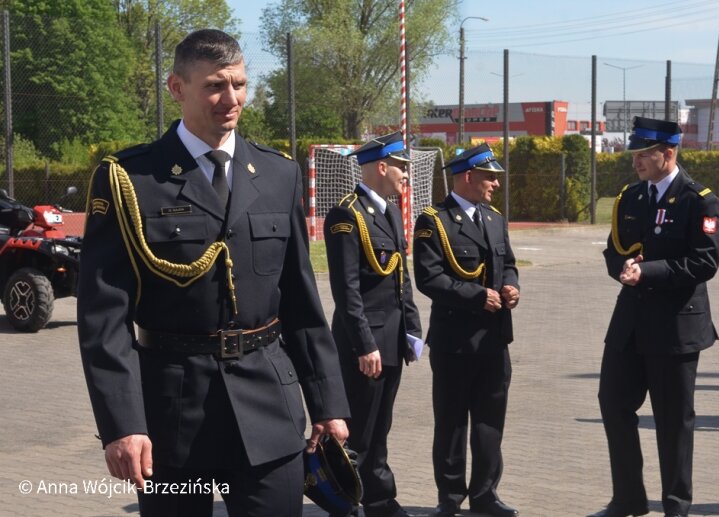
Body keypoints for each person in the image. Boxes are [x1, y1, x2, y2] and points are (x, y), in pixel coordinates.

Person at [77, 29, 350, 516]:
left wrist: (328, 402)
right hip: (173, 412)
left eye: (240, 85)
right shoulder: (130, 179)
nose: (232, 100)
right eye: (215, 86)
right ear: (177, 88)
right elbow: (104, 318)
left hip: (269, 402)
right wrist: (122, 422)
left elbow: (301, 302)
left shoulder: (277, 173)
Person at [591, 117, 719, 517]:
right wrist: (621, 268)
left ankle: (676, 506)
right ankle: (628, 499)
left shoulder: (699, 200)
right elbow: (615, 249)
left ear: (668, 153)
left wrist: (646, 271)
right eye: (635, 154)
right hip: (629, 324)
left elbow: (705, 262)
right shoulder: (630, 197)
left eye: (644, 154)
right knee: (613, 404)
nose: (636, 162)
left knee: (672, 421)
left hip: (674, 327)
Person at [413, 143, 520, 517]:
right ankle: (450, 496)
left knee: (490, 422)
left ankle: (486, 494)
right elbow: (429, 278)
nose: (496, 184)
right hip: (455, 341)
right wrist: (477, 297)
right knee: (453, 422)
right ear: (468, 176)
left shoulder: (494, 218)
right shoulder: (434, 220)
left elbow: (509, 263)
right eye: (490, 177)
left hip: (494, 339)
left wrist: (511, 286)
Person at [323, 131, 423, 517]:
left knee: (380, 428)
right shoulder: (347, 215)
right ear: (382, 167)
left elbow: (401, 278)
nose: (406, 176)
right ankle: (342, 503)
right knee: (356, 432)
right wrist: (365, 344)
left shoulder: (392, 212)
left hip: (392, 339)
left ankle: (380, 499)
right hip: (364, 345)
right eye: (401, 168)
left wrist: (411, 329)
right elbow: (346, 291)